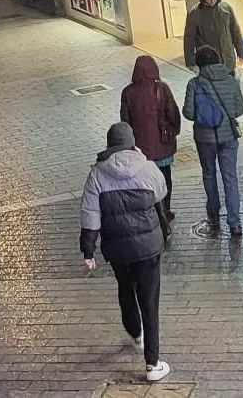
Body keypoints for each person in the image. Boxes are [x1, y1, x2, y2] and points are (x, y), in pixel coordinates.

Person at [80, 122, 172, 383]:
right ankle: (152, 364)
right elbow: (161, 192)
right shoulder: (147, 167)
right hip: (148, 247)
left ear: (109, 145)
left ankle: (136, 333)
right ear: (132, 142)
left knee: (125, 288)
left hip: (117, 248)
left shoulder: (97, 174)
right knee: (150, 300)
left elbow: (90, 215)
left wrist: (88, 249)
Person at [181, 44, 243, 236]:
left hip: (204, 138)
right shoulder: (231, 80)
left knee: (209, 174)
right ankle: (234, 222)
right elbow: (239, 109)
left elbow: (189, 113)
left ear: (200, 64)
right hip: (228, 136)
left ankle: (214, 216)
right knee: (230, 178)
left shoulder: (195, 84)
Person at [120, 55, 181, 221]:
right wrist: (173, 131)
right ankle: (166, 210)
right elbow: (173, 114)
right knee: (164, 177)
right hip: (163, 143)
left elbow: (125, 122)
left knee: (145, 181)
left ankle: (153, 211)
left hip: (141, 149)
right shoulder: (162, 88)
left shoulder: (127, 93)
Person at [183, 0, 243, 70]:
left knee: (229, 81)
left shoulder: (226, 10)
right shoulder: (195, 14)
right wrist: (190, 62)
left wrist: (241, 54)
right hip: (208, 62)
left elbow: (235, 32)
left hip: (228, 60)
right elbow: (189, 39)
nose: (212, 0)